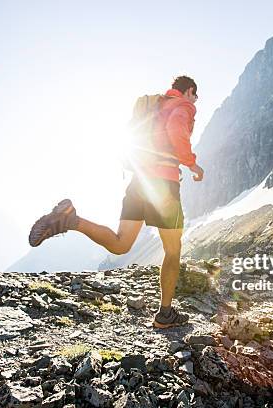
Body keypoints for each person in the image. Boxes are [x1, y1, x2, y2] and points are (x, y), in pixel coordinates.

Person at [28, 75, 204, 329]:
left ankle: (70, 219)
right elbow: (177, 129)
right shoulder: (183, 106)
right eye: (196, 96)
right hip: (163, 185)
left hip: (139, 182)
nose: (196, 101)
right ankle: (165, 314)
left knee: (121, 244)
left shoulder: (153, 104)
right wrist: (192, 163)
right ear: (189, 91)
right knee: (173, 250)